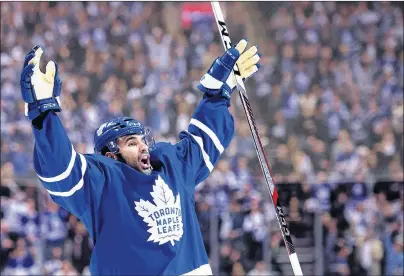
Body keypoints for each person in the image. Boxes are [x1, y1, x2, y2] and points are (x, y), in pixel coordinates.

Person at [19, 40, 261, 275]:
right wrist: (44, 112)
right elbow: (60, 168)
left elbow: (203, 139)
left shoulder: (170, 165)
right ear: (111, 155)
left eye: (143, 140)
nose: (143, 147)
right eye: (131, 143)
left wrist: (218, 92)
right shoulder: (102, 181)